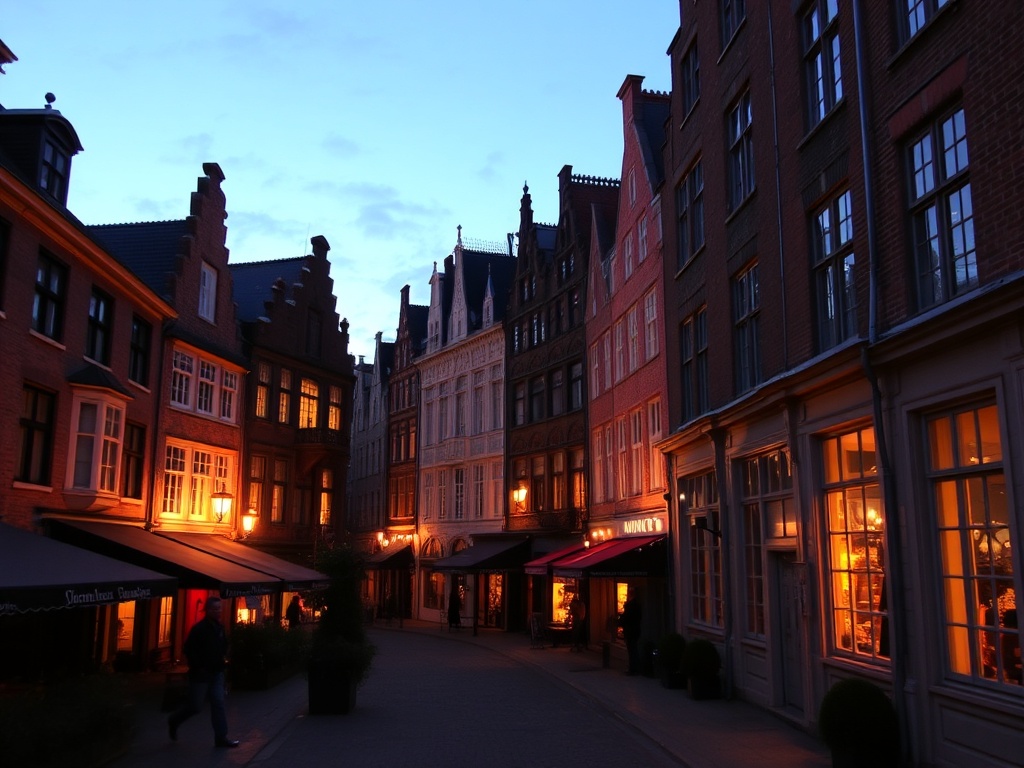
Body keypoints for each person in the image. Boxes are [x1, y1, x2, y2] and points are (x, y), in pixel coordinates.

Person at [168, 596, 240, 748]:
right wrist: (199, 666)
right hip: (201, 674)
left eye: (219, 608)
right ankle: (174, 720)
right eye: (215, 609)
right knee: (195, 706)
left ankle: (221, 737)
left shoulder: (220, 628)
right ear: (207, 610)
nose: (218, 611)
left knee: (218, 703)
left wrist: (224, 658)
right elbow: (188, 649)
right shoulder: (199, 629)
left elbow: (224, 646)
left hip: (216, 672)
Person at [618, 590, 642, 675]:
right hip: (635, 630)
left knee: (632, 650)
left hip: (630, 630)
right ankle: (635, 668)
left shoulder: (630, 606)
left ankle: (633, 669)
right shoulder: (637, 605)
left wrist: (620, 621)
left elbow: (627, 618)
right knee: (634, 649)